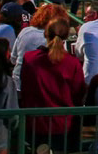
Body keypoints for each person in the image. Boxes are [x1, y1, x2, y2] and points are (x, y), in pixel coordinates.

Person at [20, 19, 85, 152]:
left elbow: (24, 87)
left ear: (45, 34)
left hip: (36, 124)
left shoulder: (29, 58)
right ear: (66, 36)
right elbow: (78, 94)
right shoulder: (72, 63)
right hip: (64, 124)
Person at [12, 4, 67, 92]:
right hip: (40, 88)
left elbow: (13, 59)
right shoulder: (54, 38)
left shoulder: (25, 31)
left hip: (18, 84)